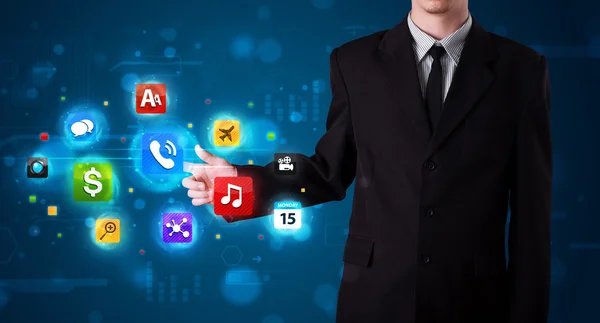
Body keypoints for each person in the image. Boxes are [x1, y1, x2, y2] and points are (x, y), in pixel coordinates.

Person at [182, 0, 552, 321]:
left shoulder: (521, 70)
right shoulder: (354, 62)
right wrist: (242, 183)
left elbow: (531, 218)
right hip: (376, 299)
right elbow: (328, 170)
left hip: (475, 304)